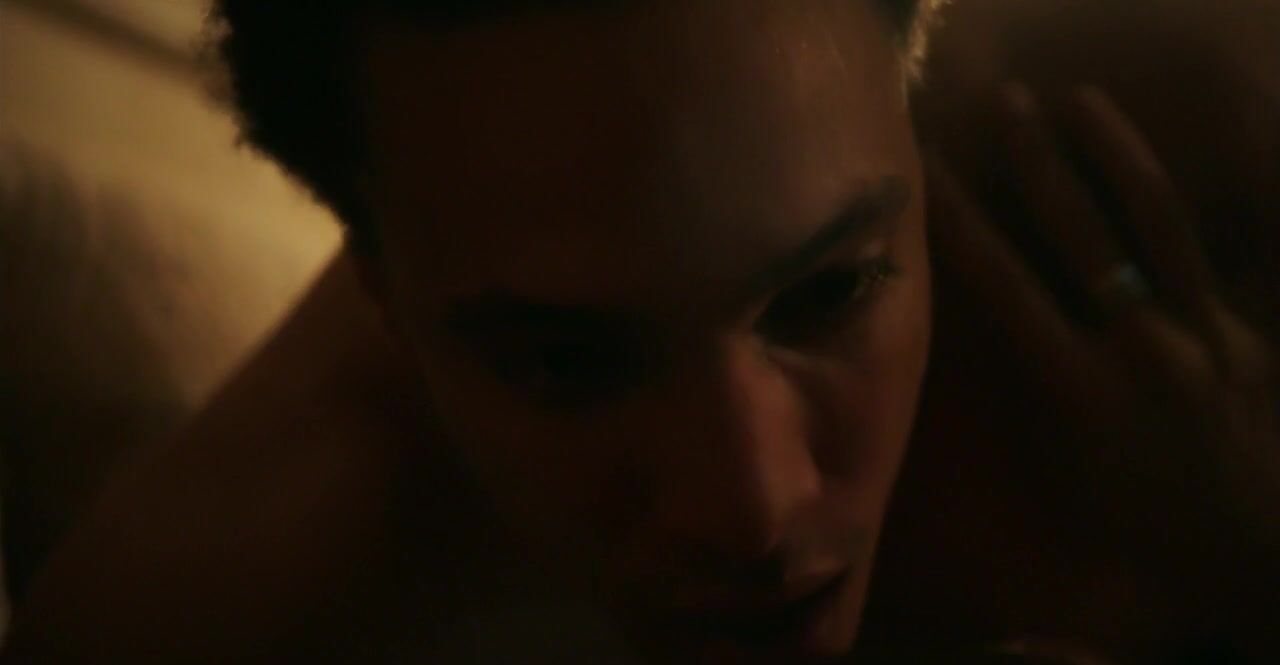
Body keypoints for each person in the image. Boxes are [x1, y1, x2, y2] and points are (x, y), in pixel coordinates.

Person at [2, 0, 1276, 663]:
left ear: (912, 106)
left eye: (829, 292)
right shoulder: (233, 595)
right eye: (569, 363)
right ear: (383, 288)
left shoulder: (1182, 154)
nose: (753, 505)